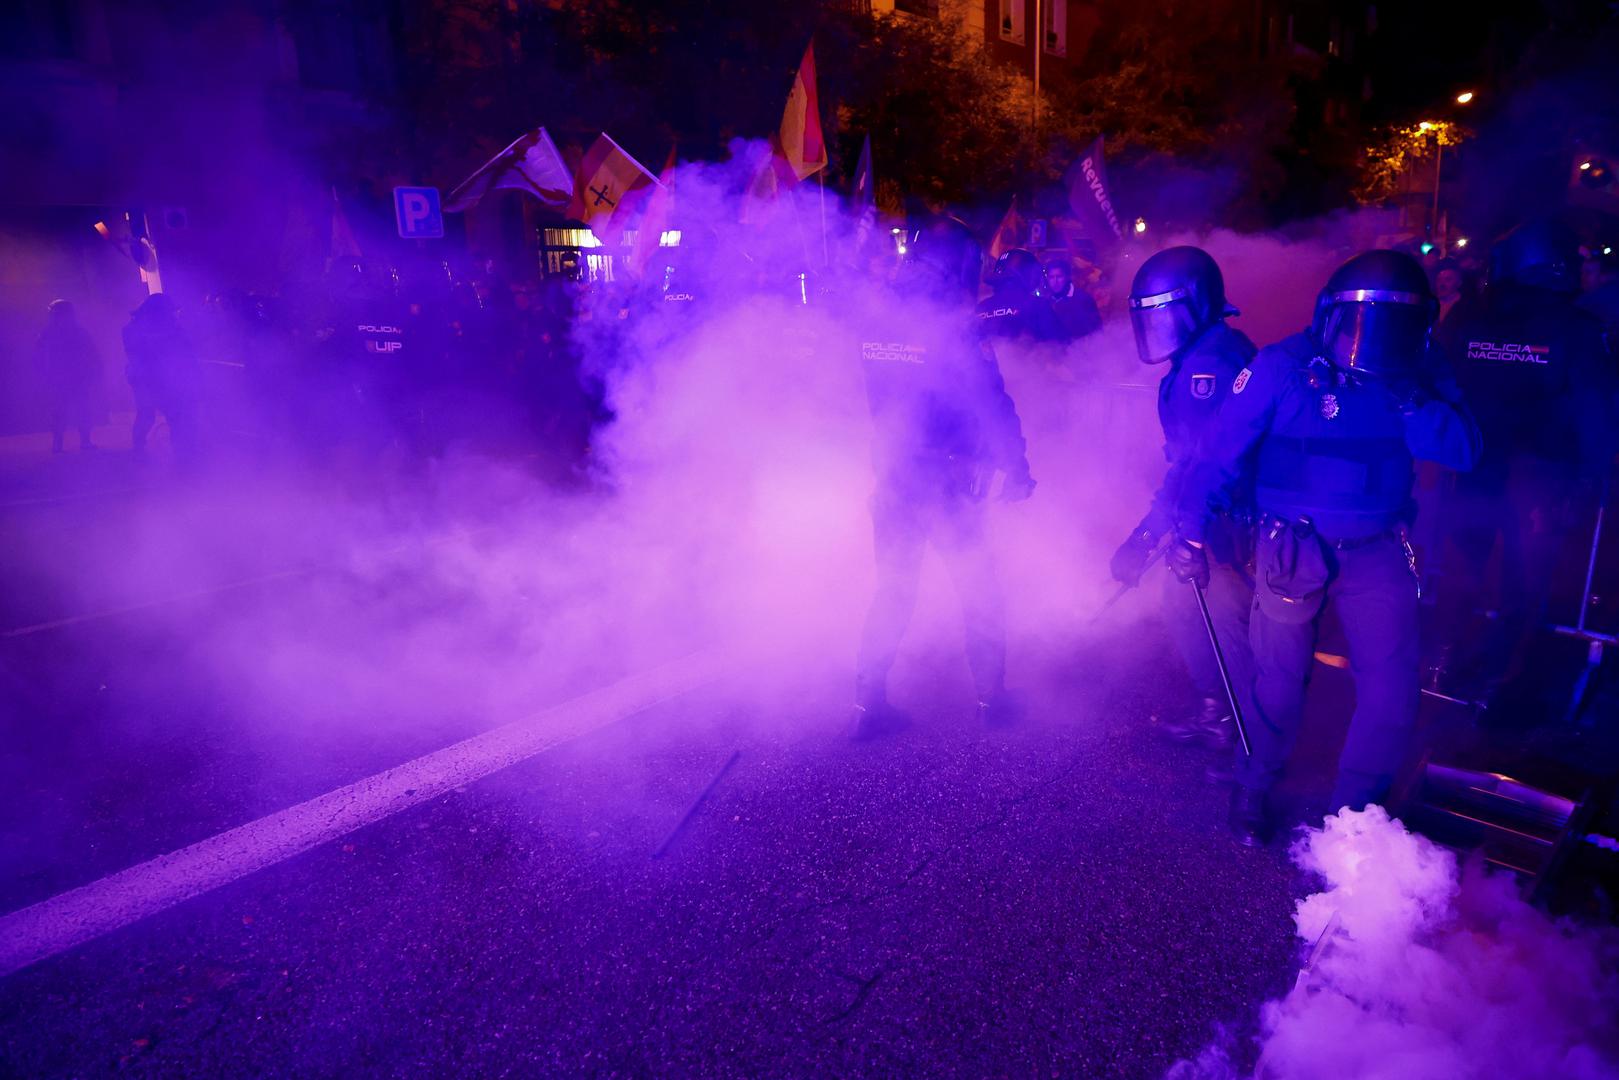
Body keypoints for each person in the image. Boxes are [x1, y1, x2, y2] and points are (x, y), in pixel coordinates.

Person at [1175, 250, 1481, 844]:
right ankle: (1254, 783)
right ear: (1329, 315)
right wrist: (1190, 528)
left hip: (1377, 549)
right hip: (1293, 548)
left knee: (1391, 689)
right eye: (1363, 324)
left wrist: (1412, 398)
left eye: (1393, 326)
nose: (1374, 341)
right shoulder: (1281, 366)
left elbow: (1464, 450)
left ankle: (1355, 818)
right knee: (1279, 681)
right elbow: (1218, 454)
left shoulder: (1421, 365)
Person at [853, 217, 1037, 740]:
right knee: (980, 590)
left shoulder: (876, 319)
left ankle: (868, 705)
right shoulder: (956, 327)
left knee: (893, 591)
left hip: (893, 479)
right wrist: (1018, 468)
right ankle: (992, 700)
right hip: (948, 482)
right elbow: (992, 404)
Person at [1435, 220, 1618, 710]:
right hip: (1541, 476)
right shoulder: (1578, 328)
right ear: (1556, 264)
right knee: (1523, 580)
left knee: (1462, 564)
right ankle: (1496, 680)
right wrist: (1594, 475)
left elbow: (1439, 382)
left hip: (1474, 464)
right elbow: (1596, 412)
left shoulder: (1468, 316)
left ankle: (1443, 660)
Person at [1108, 247, 1256, 753]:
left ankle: (1245, 740)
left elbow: (1206, 467)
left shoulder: (1209, 367)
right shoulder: (1201, 355)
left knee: (1224, 621)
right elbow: (1187, 466)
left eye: (1164, 313)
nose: (1156, 327)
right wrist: (1147, 533)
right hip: (1210, 514)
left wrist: (1165, 533)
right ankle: (1218, 711)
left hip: (1227, 521)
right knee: (1182, 606)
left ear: (1195, 305)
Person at [122, 292, 200, 460]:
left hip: (167, 378)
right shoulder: (134, 328)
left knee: (174, 414)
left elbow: (185, 349)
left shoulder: (172, 326)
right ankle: (138, 449)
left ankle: (181, 452)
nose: (170, 314)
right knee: (147, 414)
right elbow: (136, 353)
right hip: (144, 379)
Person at [33, 299, 100, 452]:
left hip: (71, 377)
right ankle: (74, 442)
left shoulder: (50, 333)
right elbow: (39, 356)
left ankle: (69, 443)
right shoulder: (52, 333)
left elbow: (90, 354)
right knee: (67, 410)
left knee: (71, 410)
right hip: (66, 378)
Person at [975, 248, 1063, 343]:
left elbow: (969, 343)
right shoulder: (1038, 305)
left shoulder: (982, 307)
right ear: (1030, 275)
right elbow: (1060, 344)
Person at [1044, 257, 1103, 342]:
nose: (1055, 281)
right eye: (1051, 277)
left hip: (1079, 348)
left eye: (1059, 276)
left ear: (1068, 277)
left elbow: (1096, 331)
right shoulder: (1045, 301)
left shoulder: (1083, 299)